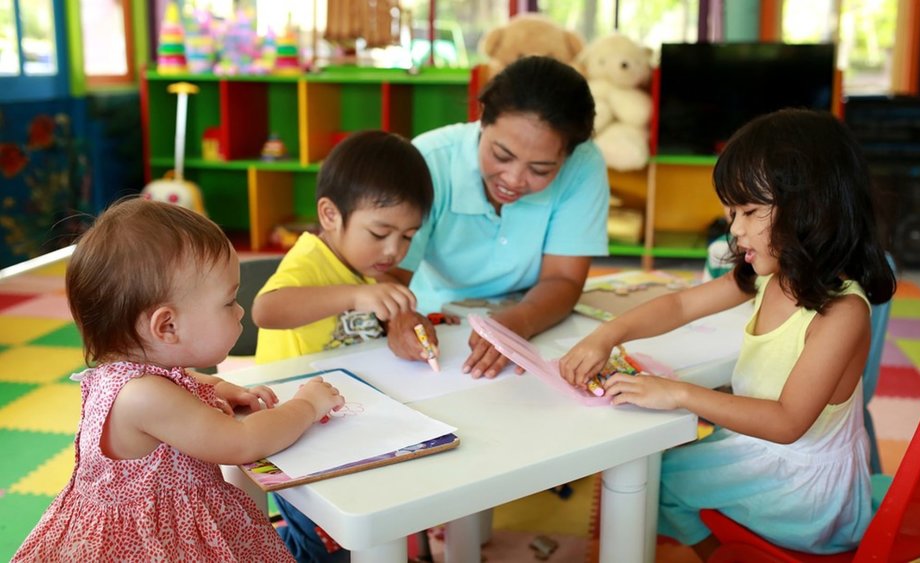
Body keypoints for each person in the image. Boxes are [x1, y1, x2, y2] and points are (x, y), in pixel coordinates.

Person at [559, 108, 896, 559]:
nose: (734, 230)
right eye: (731, 212)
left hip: (806, 492)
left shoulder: (842, 312)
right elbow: (680, 304)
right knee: (657, 466)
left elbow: (786, 422)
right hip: (770, 456)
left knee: (656, 479)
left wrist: (677, 394)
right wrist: (609, 334)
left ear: (812, 206)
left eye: (750, 211)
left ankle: (732, 555)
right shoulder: (770, 273)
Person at [12, 198, 345, 562]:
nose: (240, 310)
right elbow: (243, 442)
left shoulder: (136, 372)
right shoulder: (143, 396)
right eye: (228, 301)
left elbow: (190, 383)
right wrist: (307, 405)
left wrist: (225, 390)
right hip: (155, 544)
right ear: (167, 326)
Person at [252, 129, 434, 561]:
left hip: (344, 417)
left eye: (408, 236)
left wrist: (408, 324)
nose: (394, 250)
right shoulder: (312, 258)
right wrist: (356, 295)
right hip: (291, 430)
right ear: (331, 215)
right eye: (381, 232)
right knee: (320, 544)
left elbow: (386, 319)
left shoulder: (367, 263)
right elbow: (266, 310)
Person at [386, 55, 610, 379]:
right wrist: (398, 318)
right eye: (501, 155)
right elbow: (388, 275)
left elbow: (564, 278)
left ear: (569, 154)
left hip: (538, 317)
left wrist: (523, 320)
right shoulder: (429, 162)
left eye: (541, 169)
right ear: (482, 118)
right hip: (433, 319)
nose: (514, 179)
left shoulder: (584, 165)